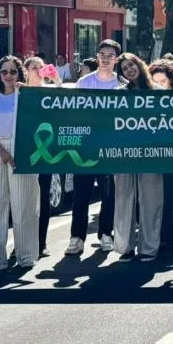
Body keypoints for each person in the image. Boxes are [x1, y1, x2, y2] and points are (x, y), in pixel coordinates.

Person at [0, 57, 39, 272]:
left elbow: (36, 119)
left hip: (21, 148)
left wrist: (25, 91)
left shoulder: (26, 96)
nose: (8, 76)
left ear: (19, 73)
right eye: (4, 72)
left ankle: (26, 256)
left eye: (13, 71)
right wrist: (2, 152)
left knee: (23, 203)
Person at [64, 40, 122, 257]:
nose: (105, 58)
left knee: (108, 195)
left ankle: (106, 234)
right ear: (97, 56)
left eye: (110, 55)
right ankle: (77, 237)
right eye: (102, 54)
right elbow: (74, 112)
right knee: (81, 194)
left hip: (110, 148)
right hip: (86, 147)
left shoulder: (122, 84)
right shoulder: (84, 82)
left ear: (116, 59)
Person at [113, 53, 164, 262]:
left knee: (151, 199)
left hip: (151, 154)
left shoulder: (159, 92)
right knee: (123, 198)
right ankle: (125, 247)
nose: (129, 70)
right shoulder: (117, 94)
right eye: (124, 69)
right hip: (123, 154)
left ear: (139, 65)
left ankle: (149, 247)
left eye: (131, 65)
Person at [23, 56, 62, 257]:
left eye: (41, 67)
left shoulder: (50, 91)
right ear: (26, 70)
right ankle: (22, 242)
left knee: (43, 196)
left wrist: (57, 81)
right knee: (23, 198)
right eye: (34, 67)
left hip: (45, 150)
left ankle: (41, 242)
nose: (38, 71)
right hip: (24, 149)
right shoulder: (20, 92)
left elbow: (66, 104)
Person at [149, 59, 173, 251]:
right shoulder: (145, 102)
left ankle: (166, 237)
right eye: (154, 82)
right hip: (150, 157)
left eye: (162, 81)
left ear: (171, 82)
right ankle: (150, 236)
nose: (159, 85)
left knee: (170, 198)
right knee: (150, 199)